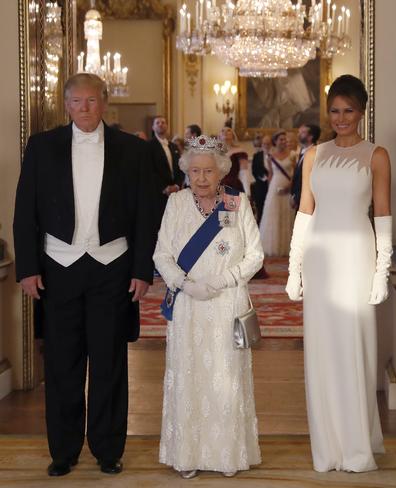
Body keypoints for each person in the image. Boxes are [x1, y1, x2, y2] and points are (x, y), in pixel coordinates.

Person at [13, 73, 155, 477]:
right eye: (76, 101)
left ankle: (108, 449)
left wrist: (142, 270)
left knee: (109, 362)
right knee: (61, 364)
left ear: (105, 103)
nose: (85, 108)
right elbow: (25, 212)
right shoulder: (41, 147)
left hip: (113, 268)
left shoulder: (132, 150)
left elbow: (146, 214)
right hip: (58, 268)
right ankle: (63, 450)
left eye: (92, 101)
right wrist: (27, 268)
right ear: (66, 105)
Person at [285, 74, 393, 472]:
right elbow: (304, 213)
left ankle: (357, 445)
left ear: (362, 112)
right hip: (320, 260)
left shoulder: (376, 155)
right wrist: (295, 269)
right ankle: (328, 447)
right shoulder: (313, 154)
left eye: (349, 111)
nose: (341, 118)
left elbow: (382, 214)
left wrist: (382, 272)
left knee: (355, 351)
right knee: (323, 352)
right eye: (335, 111)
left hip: (358, 257)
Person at [153, 135, 263, 479]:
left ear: (222, 173)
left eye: (208, 171)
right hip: (189, 305)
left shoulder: (236, 203)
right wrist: (186, 285)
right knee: (190, 378)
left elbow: (255, 256)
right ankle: (188, 454)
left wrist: (221, 281)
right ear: (186, 171)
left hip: (226, 303)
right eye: (195, 171)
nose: (201, 178)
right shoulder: (176, 204)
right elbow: (162, 255)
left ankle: (226, 454)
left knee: (225, 377)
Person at [259, 131, 295, 256]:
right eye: (281, 139)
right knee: (273, 216)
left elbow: (295, 174)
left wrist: (290, 186)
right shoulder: (271, 156)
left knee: (286, 214)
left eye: (285, 139)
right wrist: (270, 191)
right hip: (274, 188)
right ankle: (273, 246)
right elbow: (270, 174)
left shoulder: (292, 155)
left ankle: (286, 247)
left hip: (287, 187)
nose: (283, 141)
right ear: (275, 141)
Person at [149, 115, 183, 226]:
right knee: (160, 225)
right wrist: (164, 188)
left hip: (175, 192)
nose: (161, 124)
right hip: (158, 193)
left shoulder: (173, 146)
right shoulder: (148, 146)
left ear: (167, 126)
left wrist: (177, 185)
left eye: (163, 122)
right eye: (157, 123)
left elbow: (180, 167)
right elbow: (150, 170)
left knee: (175, 224)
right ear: (153, 127)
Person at [290, 124, 321, 210]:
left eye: (302, 132)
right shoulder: (302, 152)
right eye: (299, 132)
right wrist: (293, 195)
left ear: (310, 137)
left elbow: (308, 181)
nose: (298, 134)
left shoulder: (315, 154)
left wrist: (297, 198)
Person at [251, 134, 271, 224]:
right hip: (260, 187)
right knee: (260, 210)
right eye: (264, 144)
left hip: (272, 187)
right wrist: (263, 178)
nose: (266, 146)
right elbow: (254, 171)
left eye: (268, 144)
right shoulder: (257, 156)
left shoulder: (275, 155)